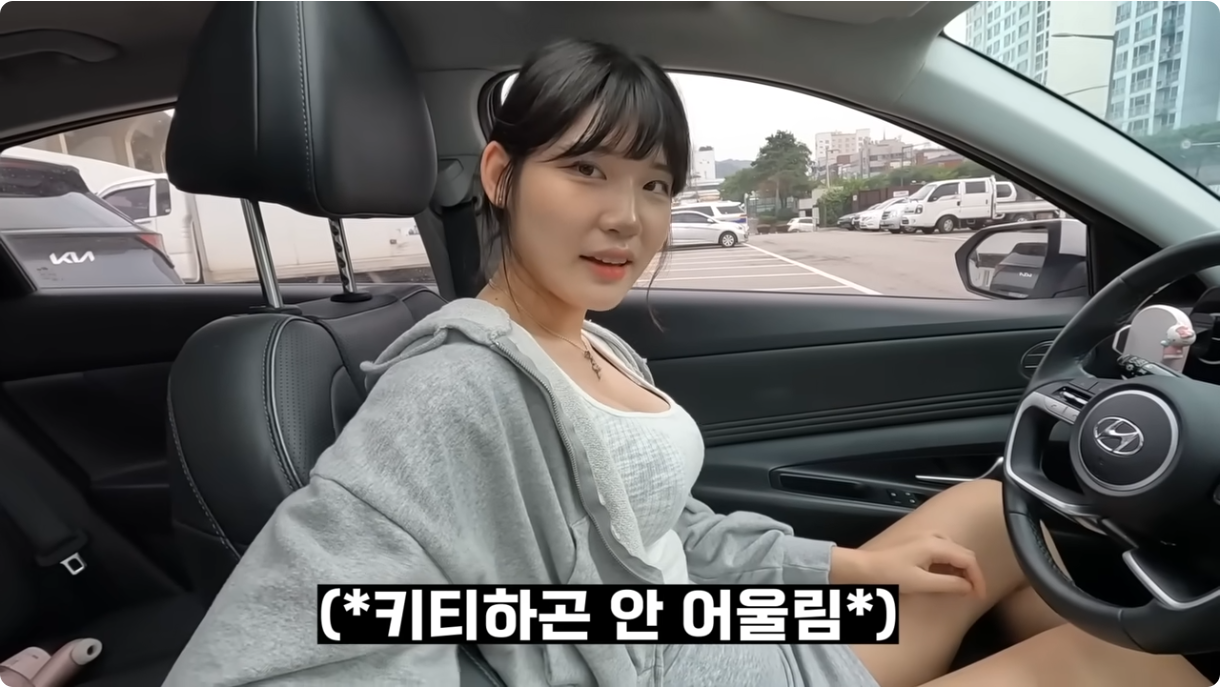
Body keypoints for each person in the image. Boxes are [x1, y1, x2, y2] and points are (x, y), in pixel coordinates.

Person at [162, 38, 1209, 688]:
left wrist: (843, 572)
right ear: (500, 173)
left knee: (986, 516)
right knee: (1124, 666)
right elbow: (298, 644)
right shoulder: (455, 388)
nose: (629, 217)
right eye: (585, 168)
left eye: (656, 183)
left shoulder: (590, 338)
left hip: (692, 626)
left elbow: (661, 535)